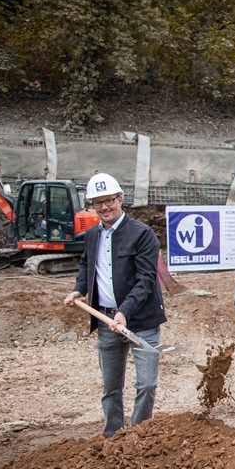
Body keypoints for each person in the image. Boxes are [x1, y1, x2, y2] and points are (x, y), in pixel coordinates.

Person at [64, 173, 167, 438]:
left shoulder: (142, 234)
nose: (104, 207)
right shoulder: (91, 236)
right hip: (105, 319)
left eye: (108, 201)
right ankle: (113, 435)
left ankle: (139, 432)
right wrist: (79, 289)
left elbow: (146, 280)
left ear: (120, 200)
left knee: (146, 384)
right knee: (111, 386)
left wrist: (124, 312)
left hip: (141, 321)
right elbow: (87, 266)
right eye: (97, 203)